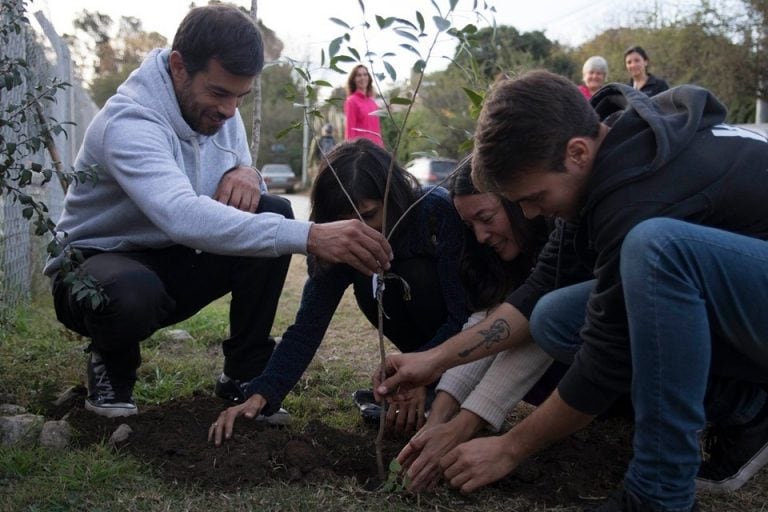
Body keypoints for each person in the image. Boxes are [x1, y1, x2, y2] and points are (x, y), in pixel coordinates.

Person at [378, 70, 768, 511]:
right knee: (554, 314)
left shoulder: (639, 196)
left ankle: (660, 494)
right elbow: (536, 291)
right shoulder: (611, 156)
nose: (528, 211)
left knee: (657, 250)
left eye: (533, 196)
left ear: (577, 152)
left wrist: (510, 447)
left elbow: (606, 360)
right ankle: (746, 403)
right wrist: (432, 361)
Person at [44, 5, 393, 419]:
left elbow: (240, 181)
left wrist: (249, 171)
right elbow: (182, 215)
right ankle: (113, 365)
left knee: (272, 208)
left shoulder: (215, 107)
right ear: (178, 67)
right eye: (220, 93)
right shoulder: (130, 122)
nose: (230, 111)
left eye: (240, 97)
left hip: (172, 257)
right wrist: (312, 236)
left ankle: (243, 373)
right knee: (133, 292)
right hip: (95, 267)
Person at [208, 138, 470, 444]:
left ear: (393, 195)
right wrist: (261, 395)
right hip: (419, 353)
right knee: (367, 280)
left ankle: (442, 390)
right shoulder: (339, 244)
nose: (358, 232)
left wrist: (423, 372)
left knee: (413, 273)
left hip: (463, 345)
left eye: (369, 215)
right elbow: (307, 328)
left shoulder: (433, 213)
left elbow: (465, 315)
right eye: (344, 223)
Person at [395, 156, 568, 492]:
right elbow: (488, 320)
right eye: (470, 225)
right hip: (548, 374)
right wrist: (438, 419)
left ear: (519, 203)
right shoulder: (494, 259)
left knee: (545, 312)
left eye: (486, 218)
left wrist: (463, 426)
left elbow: (535, 319)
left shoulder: (561, 240)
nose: (480, 236)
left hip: (602, 376)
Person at [344, 64, 383, 146]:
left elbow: (377, 131)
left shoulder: (372, 102)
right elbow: (350, 132)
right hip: (362, 152)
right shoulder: (351, 101)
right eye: (359, 75)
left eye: (365, 74)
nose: (362, 78)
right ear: (354, 79)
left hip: (377, 151)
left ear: (368, 78)